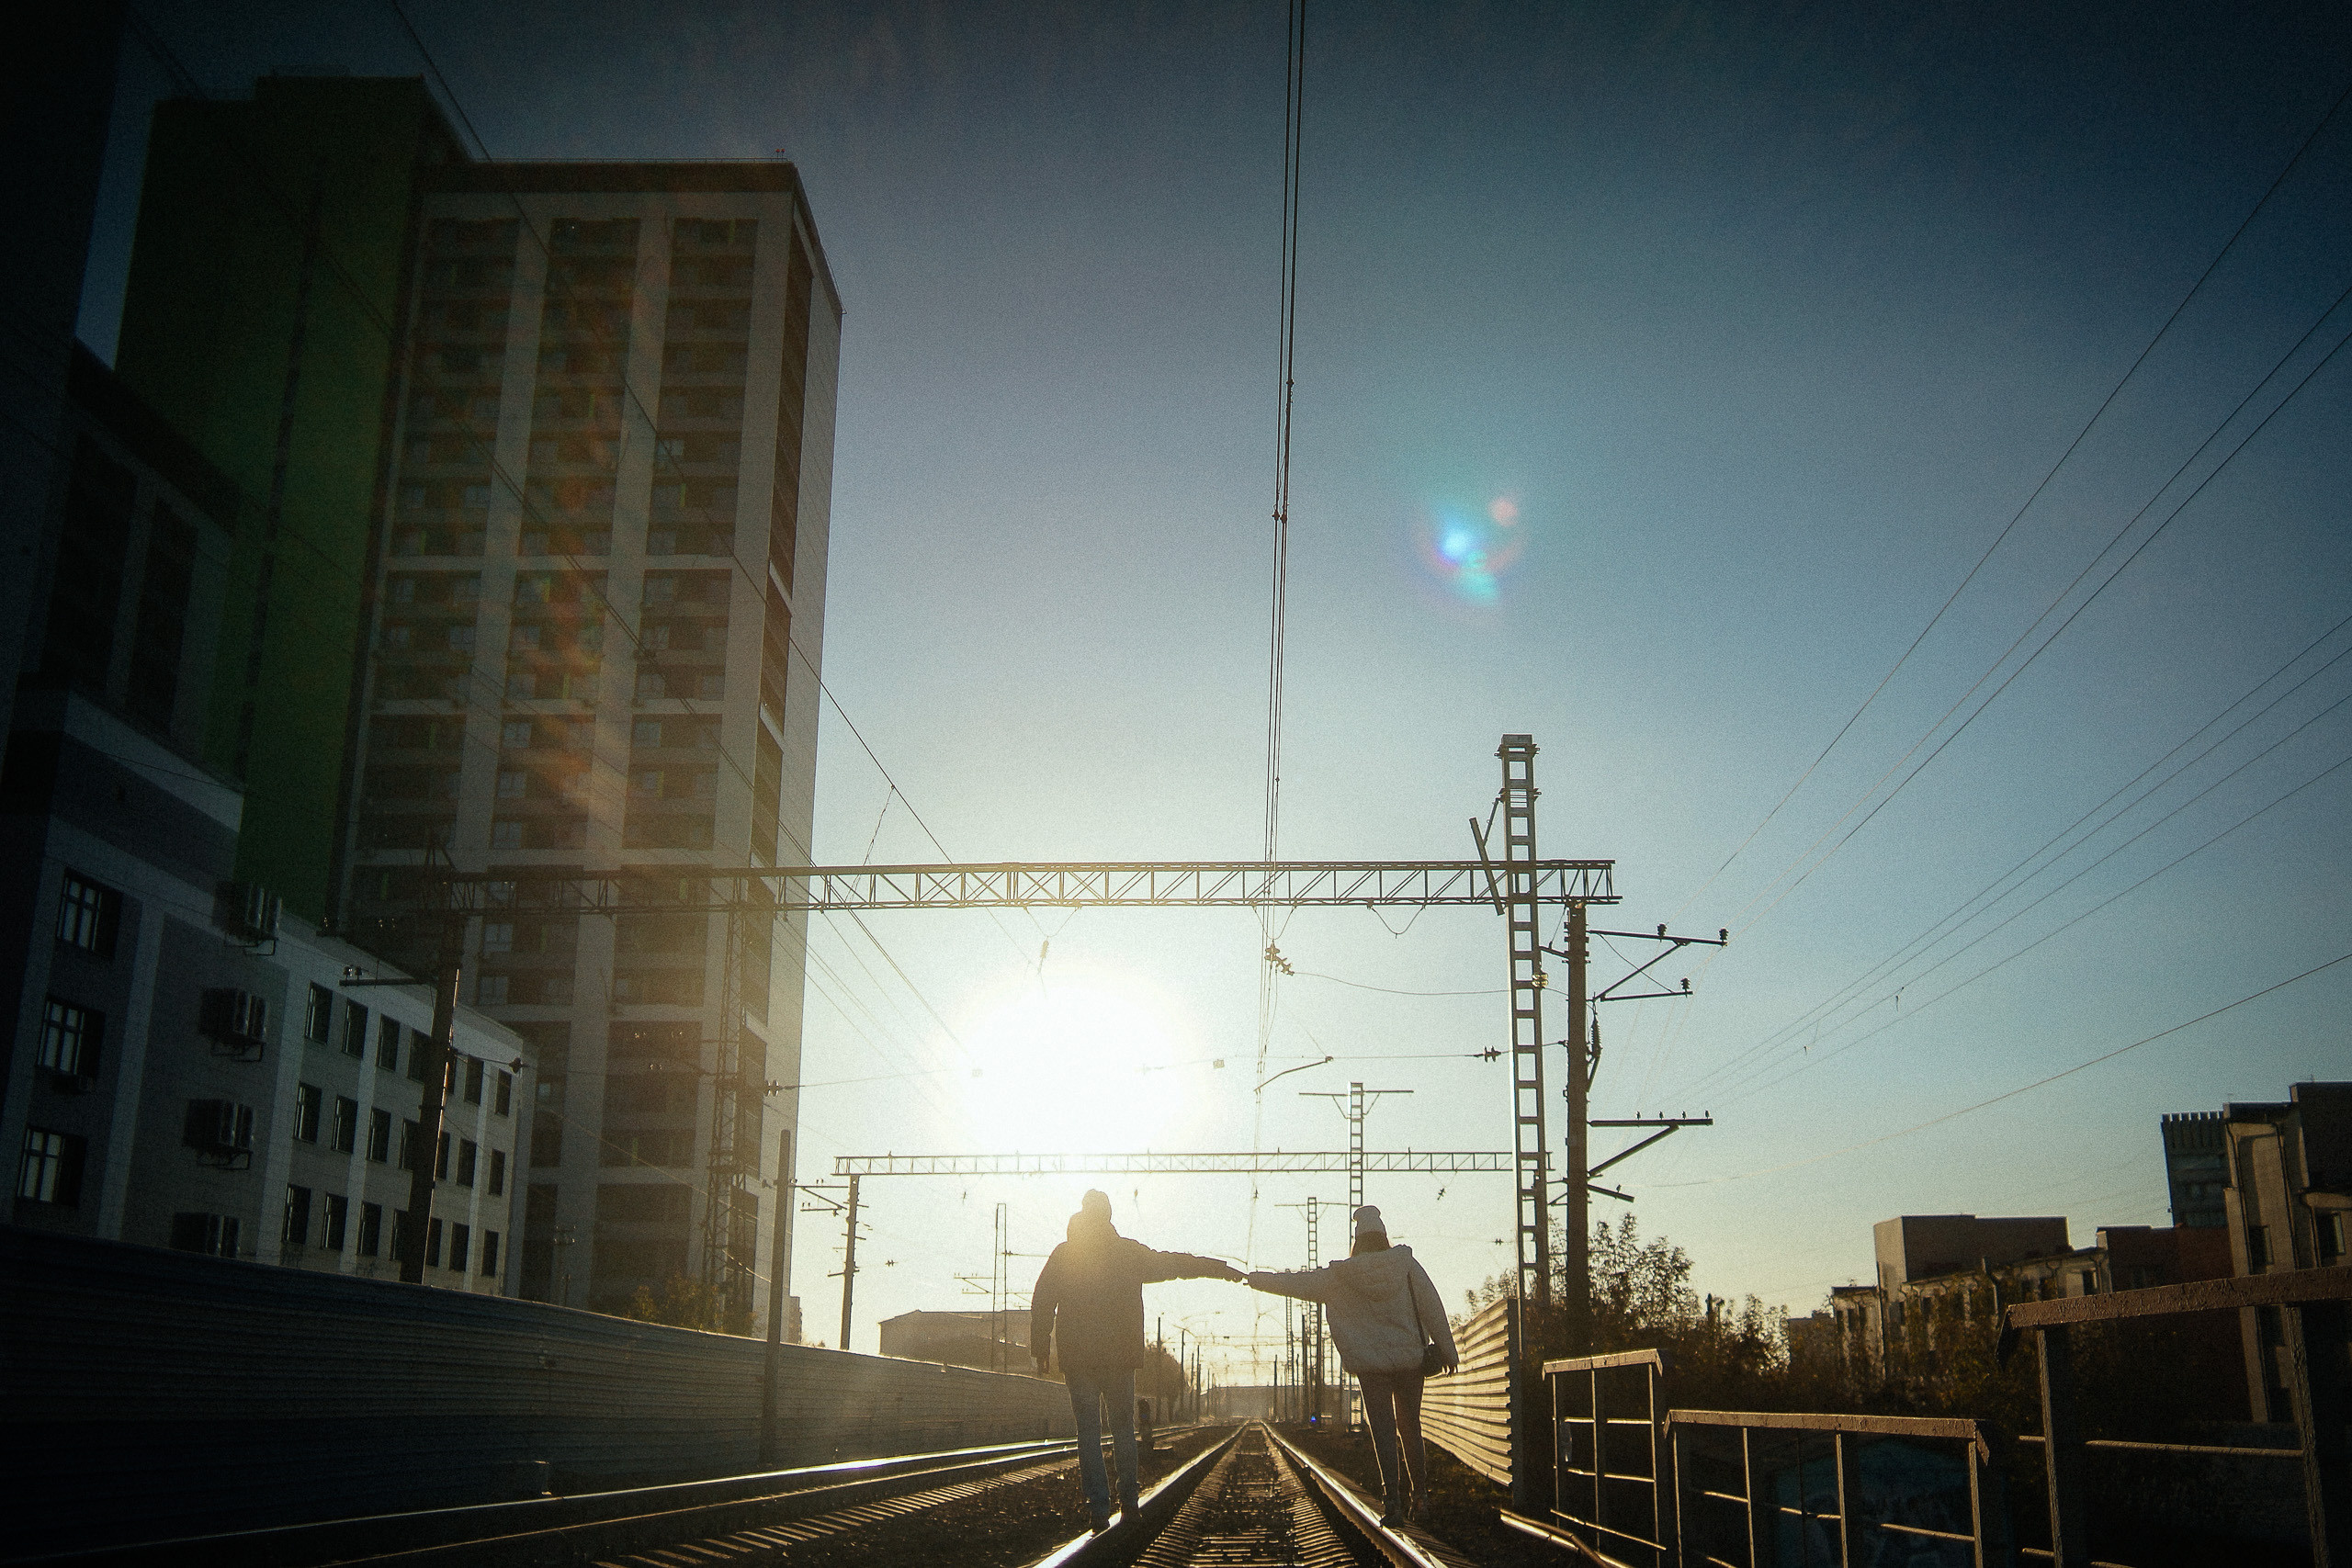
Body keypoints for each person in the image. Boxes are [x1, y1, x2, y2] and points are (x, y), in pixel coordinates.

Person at [1031, 1190, 1242, 1532]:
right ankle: (1129, 1502)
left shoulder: (1065, 1255)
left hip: (1079, 1358)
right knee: (1123, 1429)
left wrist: (1041, 1349)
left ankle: (1098, 1509)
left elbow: (1042, 1300)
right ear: (1109, 1216)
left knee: (1088, 1432)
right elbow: (1175, 1264)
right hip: (1118, 1357)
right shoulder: (1127, 1253)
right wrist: (1219, 1269)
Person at [1246, 1203, 1456, 1525]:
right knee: (1410, 1425)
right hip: (1410, 1362)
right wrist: (1447, 1350)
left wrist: (1257, 1279)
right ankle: (1421, 1497)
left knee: (1383, 1429)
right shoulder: (1406, 1265)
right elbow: (1432, 1305)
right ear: (1384, 1237)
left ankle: (1393, 1503)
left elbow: (1296, 1284)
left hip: (1371, 1366)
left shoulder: (1340, 1276)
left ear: (1356, 1242)